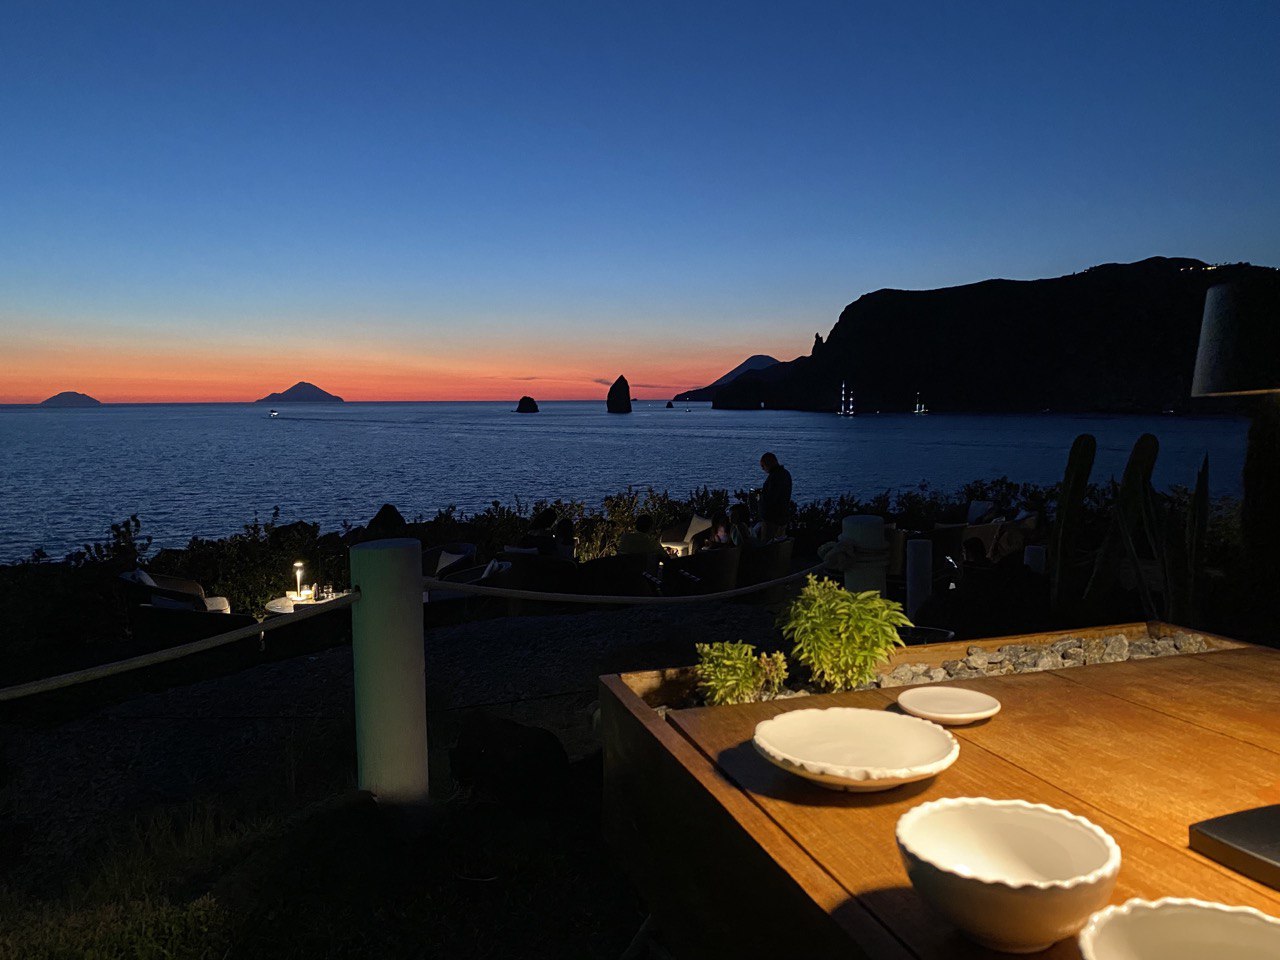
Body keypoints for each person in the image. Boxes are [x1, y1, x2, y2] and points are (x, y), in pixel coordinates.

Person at [757, 451, 792, 541]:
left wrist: (761, 499)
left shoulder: (774, 477)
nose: (762, 469)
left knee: (767, 544)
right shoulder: (785, 474)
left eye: (763, 466)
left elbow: (771, 498)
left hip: (772, 520)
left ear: (768, 464)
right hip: (782, 517)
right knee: (779, 543)